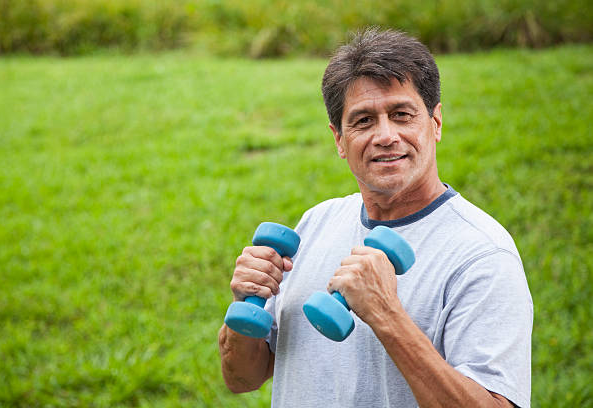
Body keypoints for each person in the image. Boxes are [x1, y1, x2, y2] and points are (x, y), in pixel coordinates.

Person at [218, 28, 533, 408]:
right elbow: (241, 378)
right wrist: (244, 305)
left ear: (435, 123)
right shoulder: (315, 224)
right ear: (338, 139)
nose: (385, 136)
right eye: (363, 120)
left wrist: (386, 315)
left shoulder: (481, 256)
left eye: (401, 114)